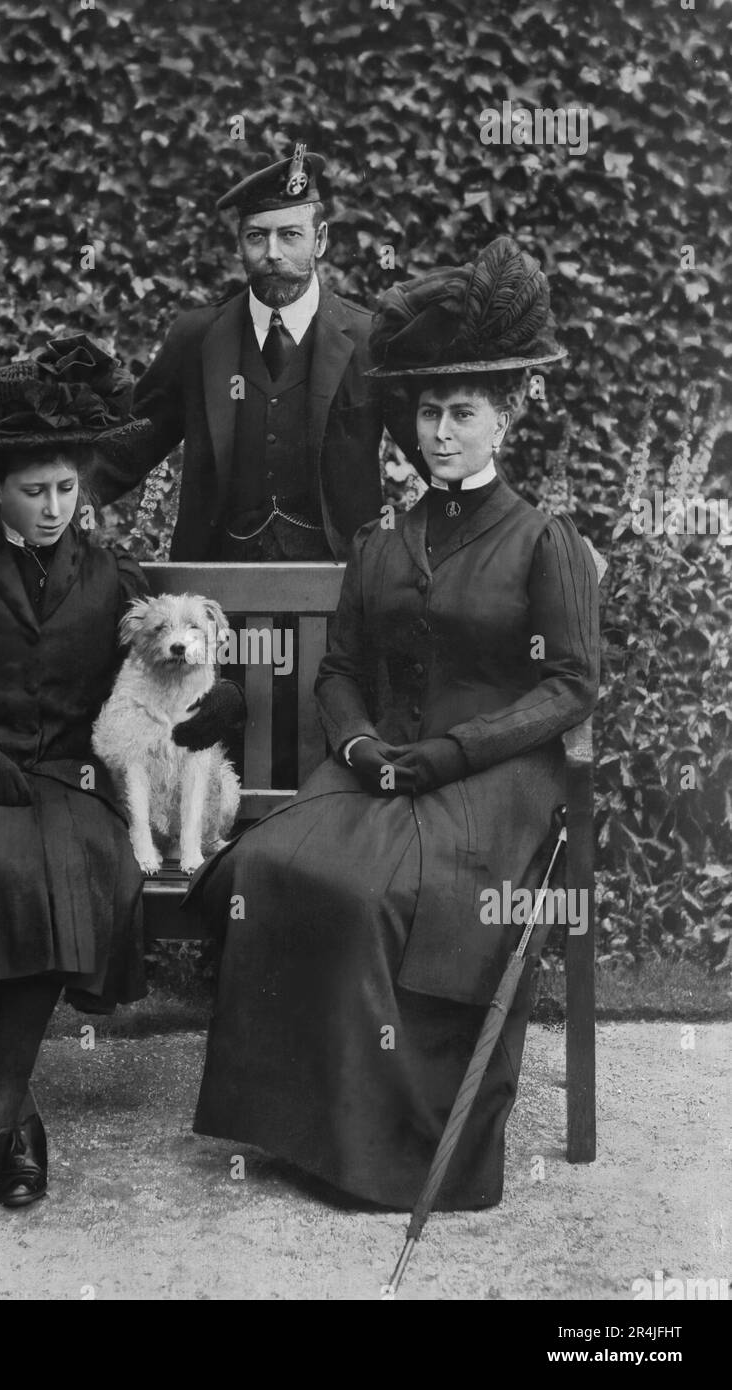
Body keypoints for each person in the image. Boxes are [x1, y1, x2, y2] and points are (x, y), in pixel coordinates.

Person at [187, 237, 600, 1211]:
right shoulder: (383, 541)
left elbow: (570, 687)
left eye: (462, 412)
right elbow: (336, 671)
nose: (440, 432)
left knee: (378, 892)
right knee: (272, 865)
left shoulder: (544, 544)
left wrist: (451, 751)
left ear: (504, 416)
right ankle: (304, 1132)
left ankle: (398, 1153)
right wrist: (359, 743)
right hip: (382, 762)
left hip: (491, 777)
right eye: (426, 410)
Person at [0, 334, 227, 1224]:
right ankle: (18, 1125)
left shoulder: (108, 575)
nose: (56, 507)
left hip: (67, 785)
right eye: (35, 491)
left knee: (68, 866)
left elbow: (172, 661)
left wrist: (229, 709)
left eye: (68, 488)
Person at [85, 144, 405, 562]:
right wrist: (55, 501)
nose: (272, 252)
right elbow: (127, 449)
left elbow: (434, 445)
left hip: (338, 587)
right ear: (240, 243)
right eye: (257, 236)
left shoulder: (367, 339)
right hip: (218, 589)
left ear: (320, 240)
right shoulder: (196, 338)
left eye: (290, 234)